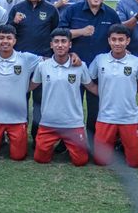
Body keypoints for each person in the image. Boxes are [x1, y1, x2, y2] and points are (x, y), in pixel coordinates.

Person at [59, 0, 120, 142]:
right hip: (73, 67)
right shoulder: (72, 10)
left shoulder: (111, 14)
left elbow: (117, 38)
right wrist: (80, 32)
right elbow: (59, 35)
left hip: (100, 73)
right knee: (70, 108)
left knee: (96, 110)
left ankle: (94, 144)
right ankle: (67, 143)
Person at [30, 28, 98, 166]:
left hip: (73, 123)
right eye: (56, 42)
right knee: (40, 159)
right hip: (48, 122)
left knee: (81, 161)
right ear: (51, 45)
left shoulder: (80, 65)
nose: (60, 45)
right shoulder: (42, 66)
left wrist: (112, 94)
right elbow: (31, 86)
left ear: (70, 45)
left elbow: (91, 87)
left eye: (63, 41)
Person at [8, 0, 60, 142]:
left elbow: (56, 36)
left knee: (39, 101)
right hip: (20, 63)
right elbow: (7, 35)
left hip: (42, 63)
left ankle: (37, 136)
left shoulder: (51, 9)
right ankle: (19, 136)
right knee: (19, 100)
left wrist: (51, 58)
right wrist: (14, 23)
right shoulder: (17, 9)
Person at [89, 24, 138, 167]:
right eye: (114, 39)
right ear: (109, 40)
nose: (117, 43)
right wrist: (101, 92)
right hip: (105, 117)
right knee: (100, 162)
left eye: (121, 40)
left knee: (135, 163)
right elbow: (87, 80)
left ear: (127, 41)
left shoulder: (137, 62)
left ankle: (122, 146)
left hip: (129, 118)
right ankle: (113, 147)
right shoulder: (100, 59)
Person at [0, 25, 42, 161]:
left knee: (18, 156)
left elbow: (49, 61)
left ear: (15, 41)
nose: (5, 41)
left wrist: (28, 87)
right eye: (1, 38)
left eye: (9, 38)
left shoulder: (26, 58)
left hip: (17, 116)